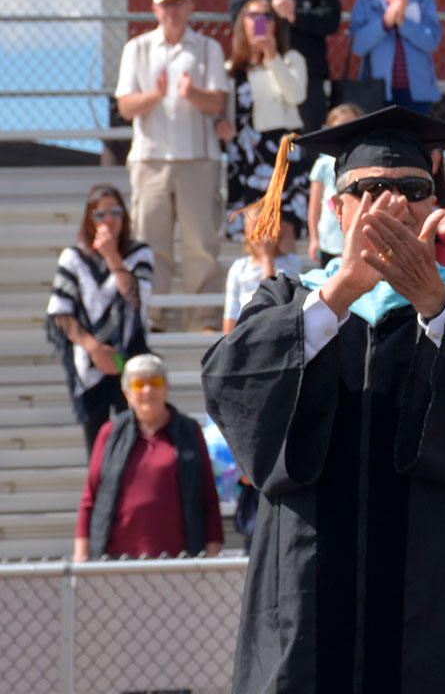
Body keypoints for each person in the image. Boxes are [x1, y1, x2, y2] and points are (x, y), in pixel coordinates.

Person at [201, 105, 445, 693]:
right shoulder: (287, 299)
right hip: (310, 605)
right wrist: (341, 293)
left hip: (442, 615)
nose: (391, 203)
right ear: (336, 210)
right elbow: (232, 386)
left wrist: (436, 304)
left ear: (434, 208)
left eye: (412, 189)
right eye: (368, 190)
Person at [115, 0, 228, 302]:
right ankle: (154, 318)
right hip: (150, 159)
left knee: (201, 245)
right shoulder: (136, 48)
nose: (172, 10)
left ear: (190, 7)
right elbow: (125, 106)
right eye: (166, 4)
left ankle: (203, 320)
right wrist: (156, 95)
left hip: (198, 158)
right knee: (150, 243)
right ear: (154, 9)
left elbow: (217, 102)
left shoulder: (209, 48)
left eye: (178, 3)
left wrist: (190, 93)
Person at [75, 353, 224, 561]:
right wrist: (81, 557)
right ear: (127, 393)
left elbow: (208, 497)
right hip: (115, 560)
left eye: (155, 382)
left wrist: (212, 555)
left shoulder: (189, 431)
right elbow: (90, 498)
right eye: (138, 384)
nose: (147, 390)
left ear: (166, 388)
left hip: (179, 560)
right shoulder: (110, 433)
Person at [47, 185, 151, 453]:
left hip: (127, 355)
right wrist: (93, 348)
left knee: (134, 440)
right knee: (97, 447)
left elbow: (137, 297)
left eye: (115, 211)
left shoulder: (139, 253)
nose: (108, 219)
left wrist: (112, 256)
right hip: (89, 359)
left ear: (125, 216)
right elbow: (60, 311)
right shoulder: (73, 258)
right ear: (88, 219)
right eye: (99, 213)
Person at [228, 0, 342, 131]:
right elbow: (239, 18)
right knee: (264, 142)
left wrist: (295, 15)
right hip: (260, 74)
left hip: (307, 76)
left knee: (307, 145)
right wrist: (267, 15)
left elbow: (331, 20)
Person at [221, 0, 310, 240]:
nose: (261, 22)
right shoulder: (230, 69)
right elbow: (224, 111)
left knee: (285, 222)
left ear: (276, 24)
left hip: (282, 150)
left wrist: (272, 56)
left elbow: (296, 96)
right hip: (247, 153)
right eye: (254, 16)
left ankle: (285, 275)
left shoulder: (291, 60)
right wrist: (221, 126)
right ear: (242, 23)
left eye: (268, 16)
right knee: (251, 223)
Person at [348, 0, 443, 116]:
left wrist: (403, 23)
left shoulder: (423, 0)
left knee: (413, 141)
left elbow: (431, 41)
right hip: (378, 91)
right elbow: (357, 45)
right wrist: (386, 21)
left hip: (417, 92)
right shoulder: (366, 0)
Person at [223, 212, 304, 334]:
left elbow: (272, 297)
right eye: (254, 227)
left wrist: (267, 257)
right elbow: (231, 312)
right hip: (246, 331)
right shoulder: (239, 267)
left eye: (266, 227)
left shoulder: (291, 263)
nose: (261, 234)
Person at [307, 102, 364, 267]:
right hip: (329, 239)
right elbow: (314, 206)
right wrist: (314, 239)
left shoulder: (363, 163)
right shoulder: (323, 164)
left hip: (357, 238)